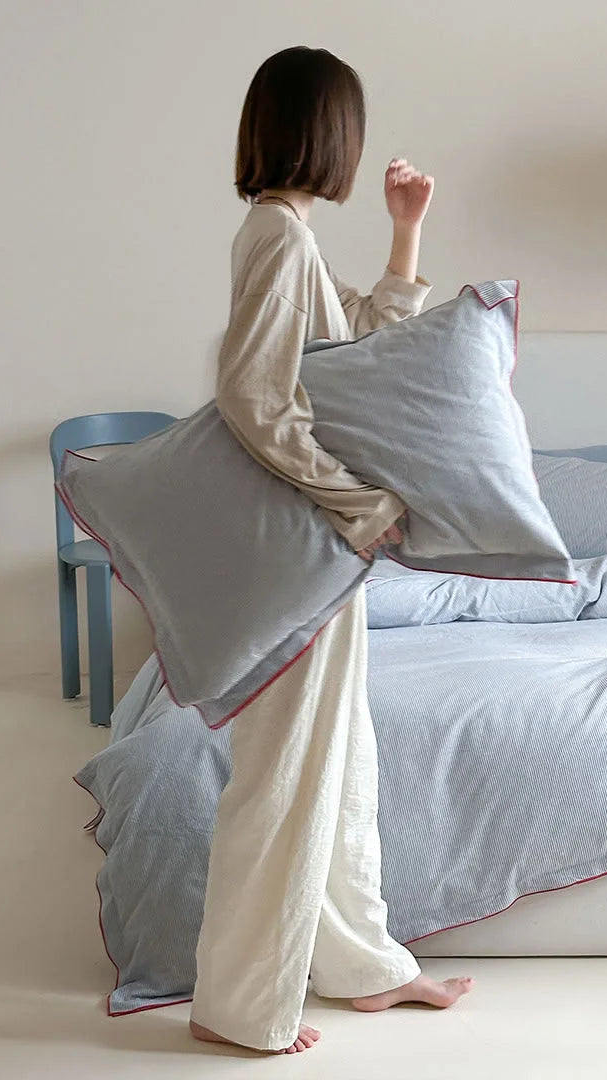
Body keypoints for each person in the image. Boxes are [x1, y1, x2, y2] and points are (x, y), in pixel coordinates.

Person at [189, 46, 473, 1055]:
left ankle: (361, 965)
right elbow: (253, 393)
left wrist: (407, 236)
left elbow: (351, 341)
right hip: (297, 547)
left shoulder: (289, 235)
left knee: (337, 762)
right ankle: (237, 1005)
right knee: (286, 773)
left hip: (315, 548)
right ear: (329, 133)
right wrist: (360, 501)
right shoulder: (273, 234)